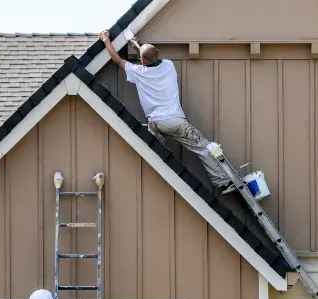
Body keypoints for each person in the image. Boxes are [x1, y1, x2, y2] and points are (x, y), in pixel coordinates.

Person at [98, 29, 248, 196]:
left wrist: (106, 40)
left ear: (141, 60)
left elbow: (118, 60)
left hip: (156, 124)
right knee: (203, 148)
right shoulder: (169, 65)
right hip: (176, 121)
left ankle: (159, 148)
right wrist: (140, 45)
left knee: (158, 147)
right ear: (158, 54)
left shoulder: (138, 72)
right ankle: (223, 182)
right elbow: (152, 57)